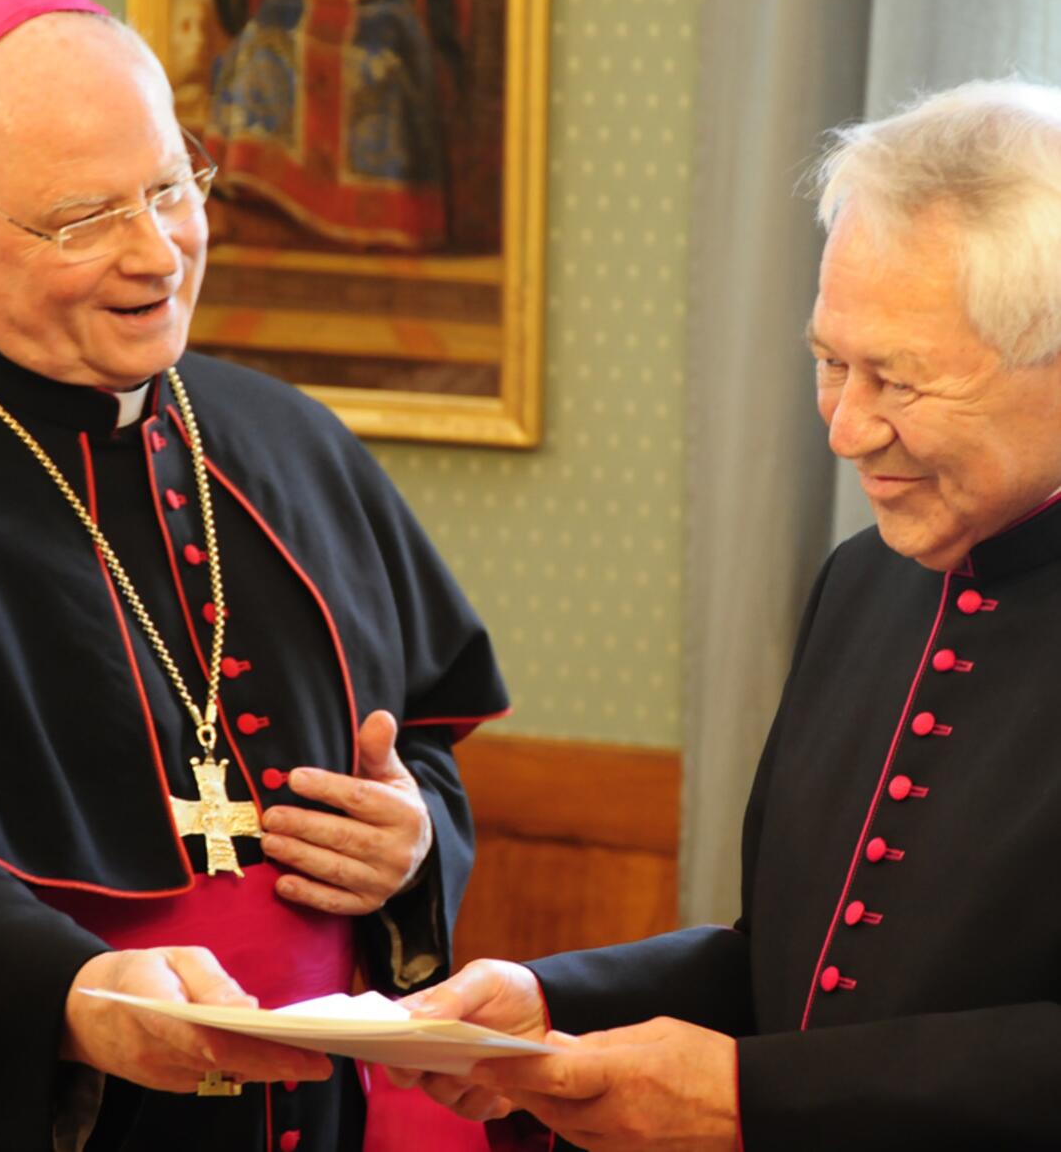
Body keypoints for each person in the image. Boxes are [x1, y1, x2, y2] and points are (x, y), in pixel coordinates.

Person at [0, 0, 508, 1152]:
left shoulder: (295, 442)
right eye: (84, 218)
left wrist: (414, 841)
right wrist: (63, 994)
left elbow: (426, 738)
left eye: (172, 187)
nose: (156, 251)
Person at [388, 78, 1061, 1150]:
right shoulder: (866, 580)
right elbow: (791, 967)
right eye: (830, 363)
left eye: (897, 381)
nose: (845, 430)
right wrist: (554, 1004)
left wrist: (756, 1098)